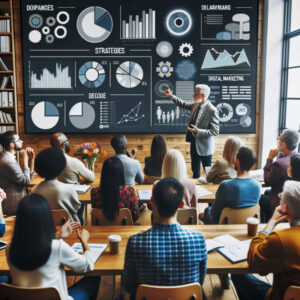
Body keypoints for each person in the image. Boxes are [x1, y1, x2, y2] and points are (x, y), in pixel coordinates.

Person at [123, 177, 207, 300]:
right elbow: (200, 282)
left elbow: (128, 285)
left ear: (152, 202)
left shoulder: (135, 242)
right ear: (181, 204)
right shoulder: (198, 240)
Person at [7, 194, 100, 300]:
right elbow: (87, 266)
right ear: (46, 218)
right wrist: (84, 241)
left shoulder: (10, 248)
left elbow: (34, 245)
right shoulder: (57, 247)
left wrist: (57, 236)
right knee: (94, 278)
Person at [231, 180, 300, 300]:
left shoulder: (281, 239)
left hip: (281, 296)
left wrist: (272, 222)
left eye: (281, 196)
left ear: (284, 208)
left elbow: (253, 258)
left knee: (239, 276)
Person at [164, 84, 219, 179]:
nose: (193, 95)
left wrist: (198, 131)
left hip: (205, 147)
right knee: (195, 172)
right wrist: (171, 96)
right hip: (194, 143)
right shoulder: (196, 105)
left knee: (208, 174)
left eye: (196, 93)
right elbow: (183, 104)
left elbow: (215, 131)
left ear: (203, 96)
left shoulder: (212, 110)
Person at [202, 147, 261, 224]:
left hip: (224, 226)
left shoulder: (225, 185)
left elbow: (215, 214)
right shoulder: (257, 185)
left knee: (207, 210)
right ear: (252, 164)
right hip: (246, 225)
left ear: (237, 162)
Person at [32, 147, 82, 223]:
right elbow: (76, 207)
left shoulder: (34, 190)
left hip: (44, 228)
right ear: (61, 166)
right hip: (69, 230)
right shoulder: (69, 189)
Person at [261, 129, 300, 221]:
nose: (277, 141)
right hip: (295, 199)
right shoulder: (297, 159)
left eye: (278, 139)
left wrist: (269, 159)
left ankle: (266, 222)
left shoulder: (280, 163)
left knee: (260, 198)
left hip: (281, 202)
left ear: (283, 144)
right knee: (267, 192)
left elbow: (267, 181)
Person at [91, 157, 139, 223]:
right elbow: (135, 216)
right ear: (121, 173)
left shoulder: (95, 192)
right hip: (125, 229)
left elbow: (95, 212)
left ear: (103, 173)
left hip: (101, 228)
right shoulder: (129, 192)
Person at [0, 131, 35, 215]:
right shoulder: (8, 161)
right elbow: (26, 181)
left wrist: (32, 159)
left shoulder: (7, 157)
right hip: (13, 206)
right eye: (19, 140)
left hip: (16, 203)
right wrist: (25, 160)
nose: (22, 141)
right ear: (12, 145)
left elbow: (29, 178)